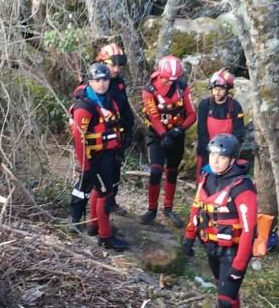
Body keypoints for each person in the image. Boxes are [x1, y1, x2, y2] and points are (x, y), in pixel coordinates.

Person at [182, 134, 256, 308]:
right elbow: (197, 207)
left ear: (232, 159)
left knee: (225, 299)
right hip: (211, 247)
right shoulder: (207, 178)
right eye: (213, 155)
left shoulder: (243, 188)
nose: (215, 161)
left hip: (232, 252)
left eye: (221, 157)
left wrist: (239, 266)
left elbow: (249, 231)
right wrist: (189, 236)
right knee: (227, 295)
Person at [69, 63, 129, 251]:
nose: (102, 84)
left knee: (100, 191)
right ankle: (105, 237)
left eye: (105, 80)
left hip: (109, 154)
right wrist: (85, 166)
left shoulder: (109, 99)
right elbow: (79, 140)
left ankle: (94, 225)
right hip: (94, 157)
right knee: (105, 194)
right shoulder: (84, 106)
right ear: (90, 81)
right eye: (98, 80)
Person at [139, 55, 197, 227]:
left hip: (177, 133)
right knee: (156, 171)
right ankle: (151, 209)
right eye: (167, 79)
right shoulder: (149, 90)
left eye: (174, 80)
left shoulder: (182, 87)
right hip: (157, 135)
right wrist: (164, 135)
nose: (170, 83)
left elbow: (192, 114)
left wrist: (178, 130)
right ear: (160, 74)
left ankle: (168, 207)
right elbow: (153, 116)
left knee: (172, 171)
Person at [95, 43, 135, 216]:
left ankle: (111, 203)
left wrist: (128, 128)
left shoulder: (118, 83)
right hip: (100, 136)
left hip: (117, 134)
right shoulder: (94, 81)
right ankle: (94, 213)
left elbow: (124, 106)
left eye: (119, 65)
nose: (117, 69)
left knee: (116, 170)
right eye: (113, 65)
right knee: (100, 175)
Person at [194, 69, 246, 181]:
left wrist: (229, 152)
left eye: (220, 89)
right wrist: (209, 150)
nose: (217, 92)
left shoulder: (235, 107)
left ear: (227, 90)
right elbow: (201, 130)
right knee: (202, 179)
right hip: (206, 149)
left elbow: (239, 132)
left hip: (226, 152)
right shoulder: (205, 105)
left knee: (225, 182)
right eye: (215, 89)